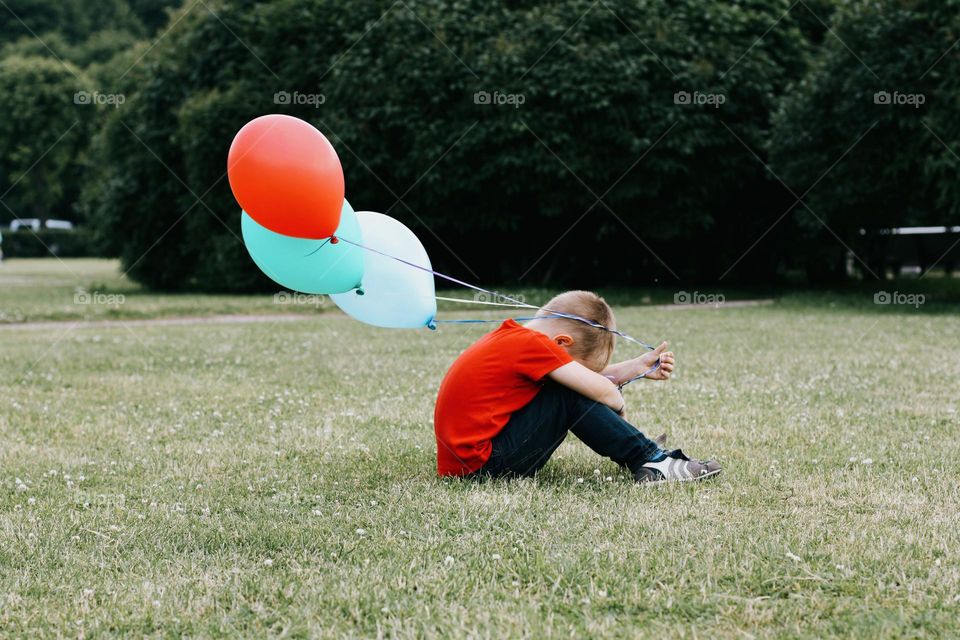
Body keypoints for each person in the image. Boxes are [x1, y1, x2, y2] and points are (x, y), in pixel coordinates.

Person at [433, 290, 720, 483]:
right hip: (482, 467)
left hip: (469, 463)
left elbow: (582, 379)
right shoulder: (534, 346)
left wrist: (634, 368)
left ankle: (643, 451)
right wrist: (617, 402)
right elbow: (592, 389)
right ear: (561, 343)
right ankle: (650, 460)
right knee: (567, 395)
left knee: (568, 391)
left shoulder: (518, 339)